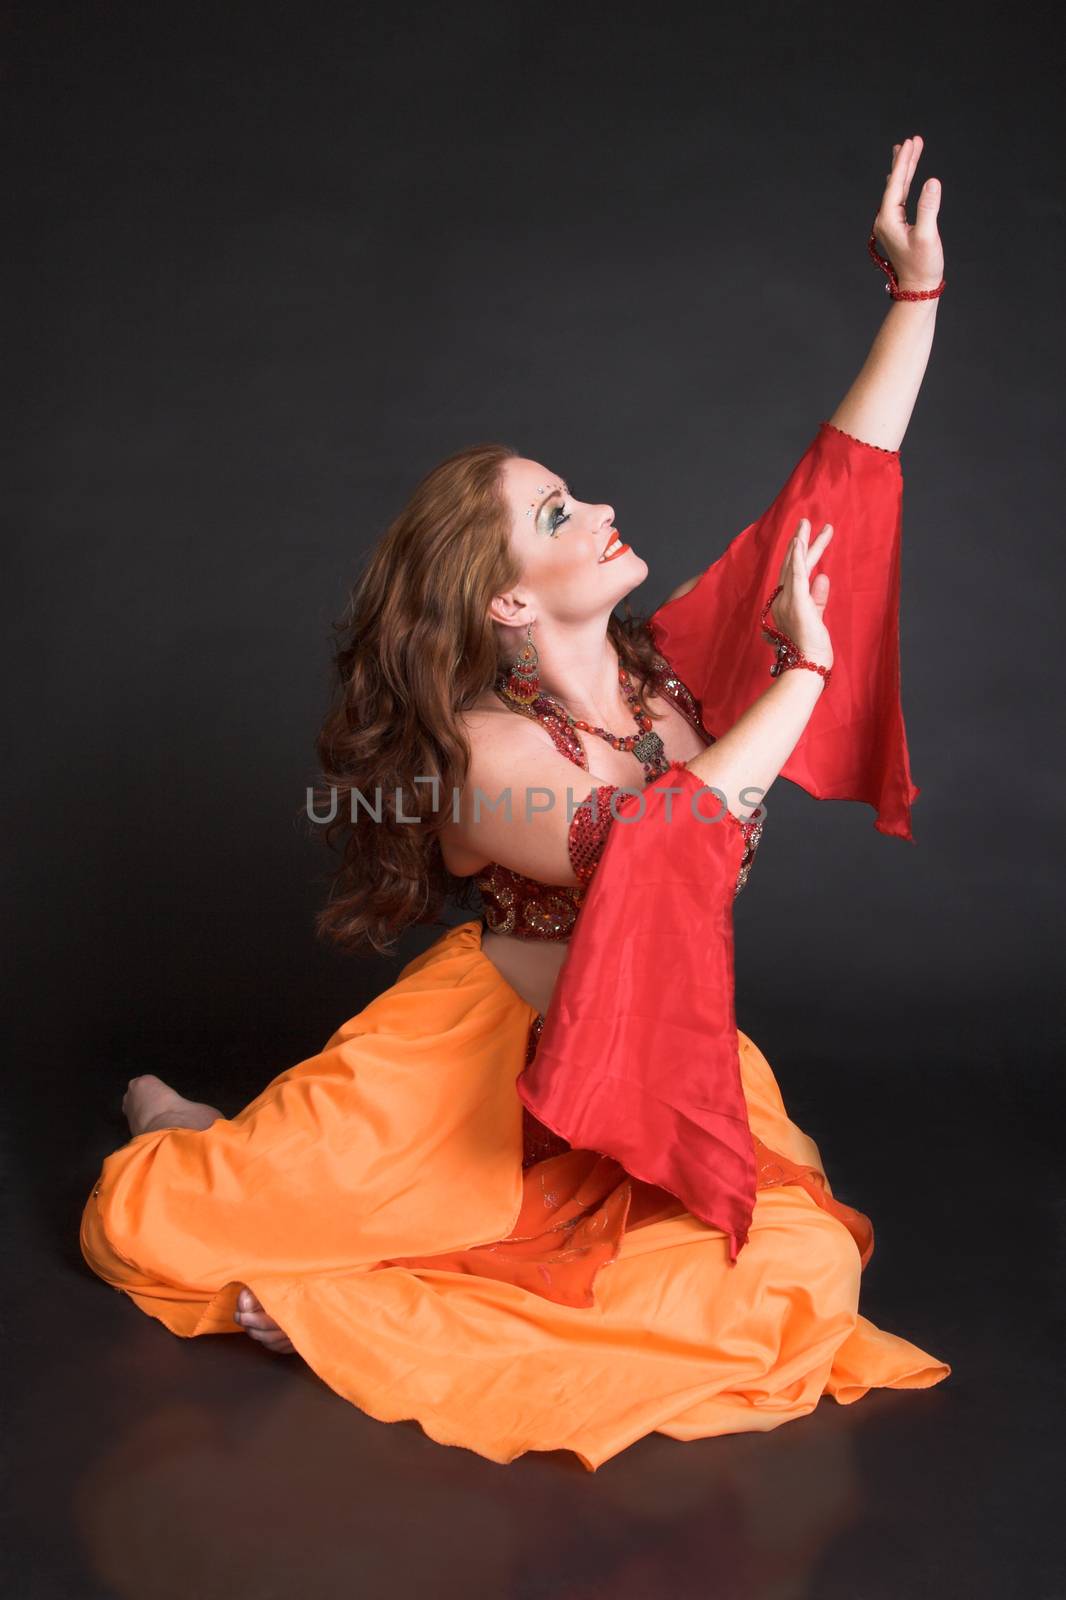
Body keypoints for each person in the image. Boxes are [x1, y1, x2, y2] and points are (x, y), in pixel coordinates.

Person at [81, 136, 952, 1470]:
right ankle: (189, 1127)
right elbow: (669, 844)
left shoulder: (669, 680)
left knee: (790, 1281)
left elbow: (829, 504)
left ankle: (355, 1280)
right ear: (504, 598)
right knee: (156, 1223)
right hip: (477, 1090)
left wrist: (912, 302)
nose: (599, 506)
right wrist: (809, 670)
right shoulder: (483, 759)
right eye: (557, 514)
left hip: (654, 1065)